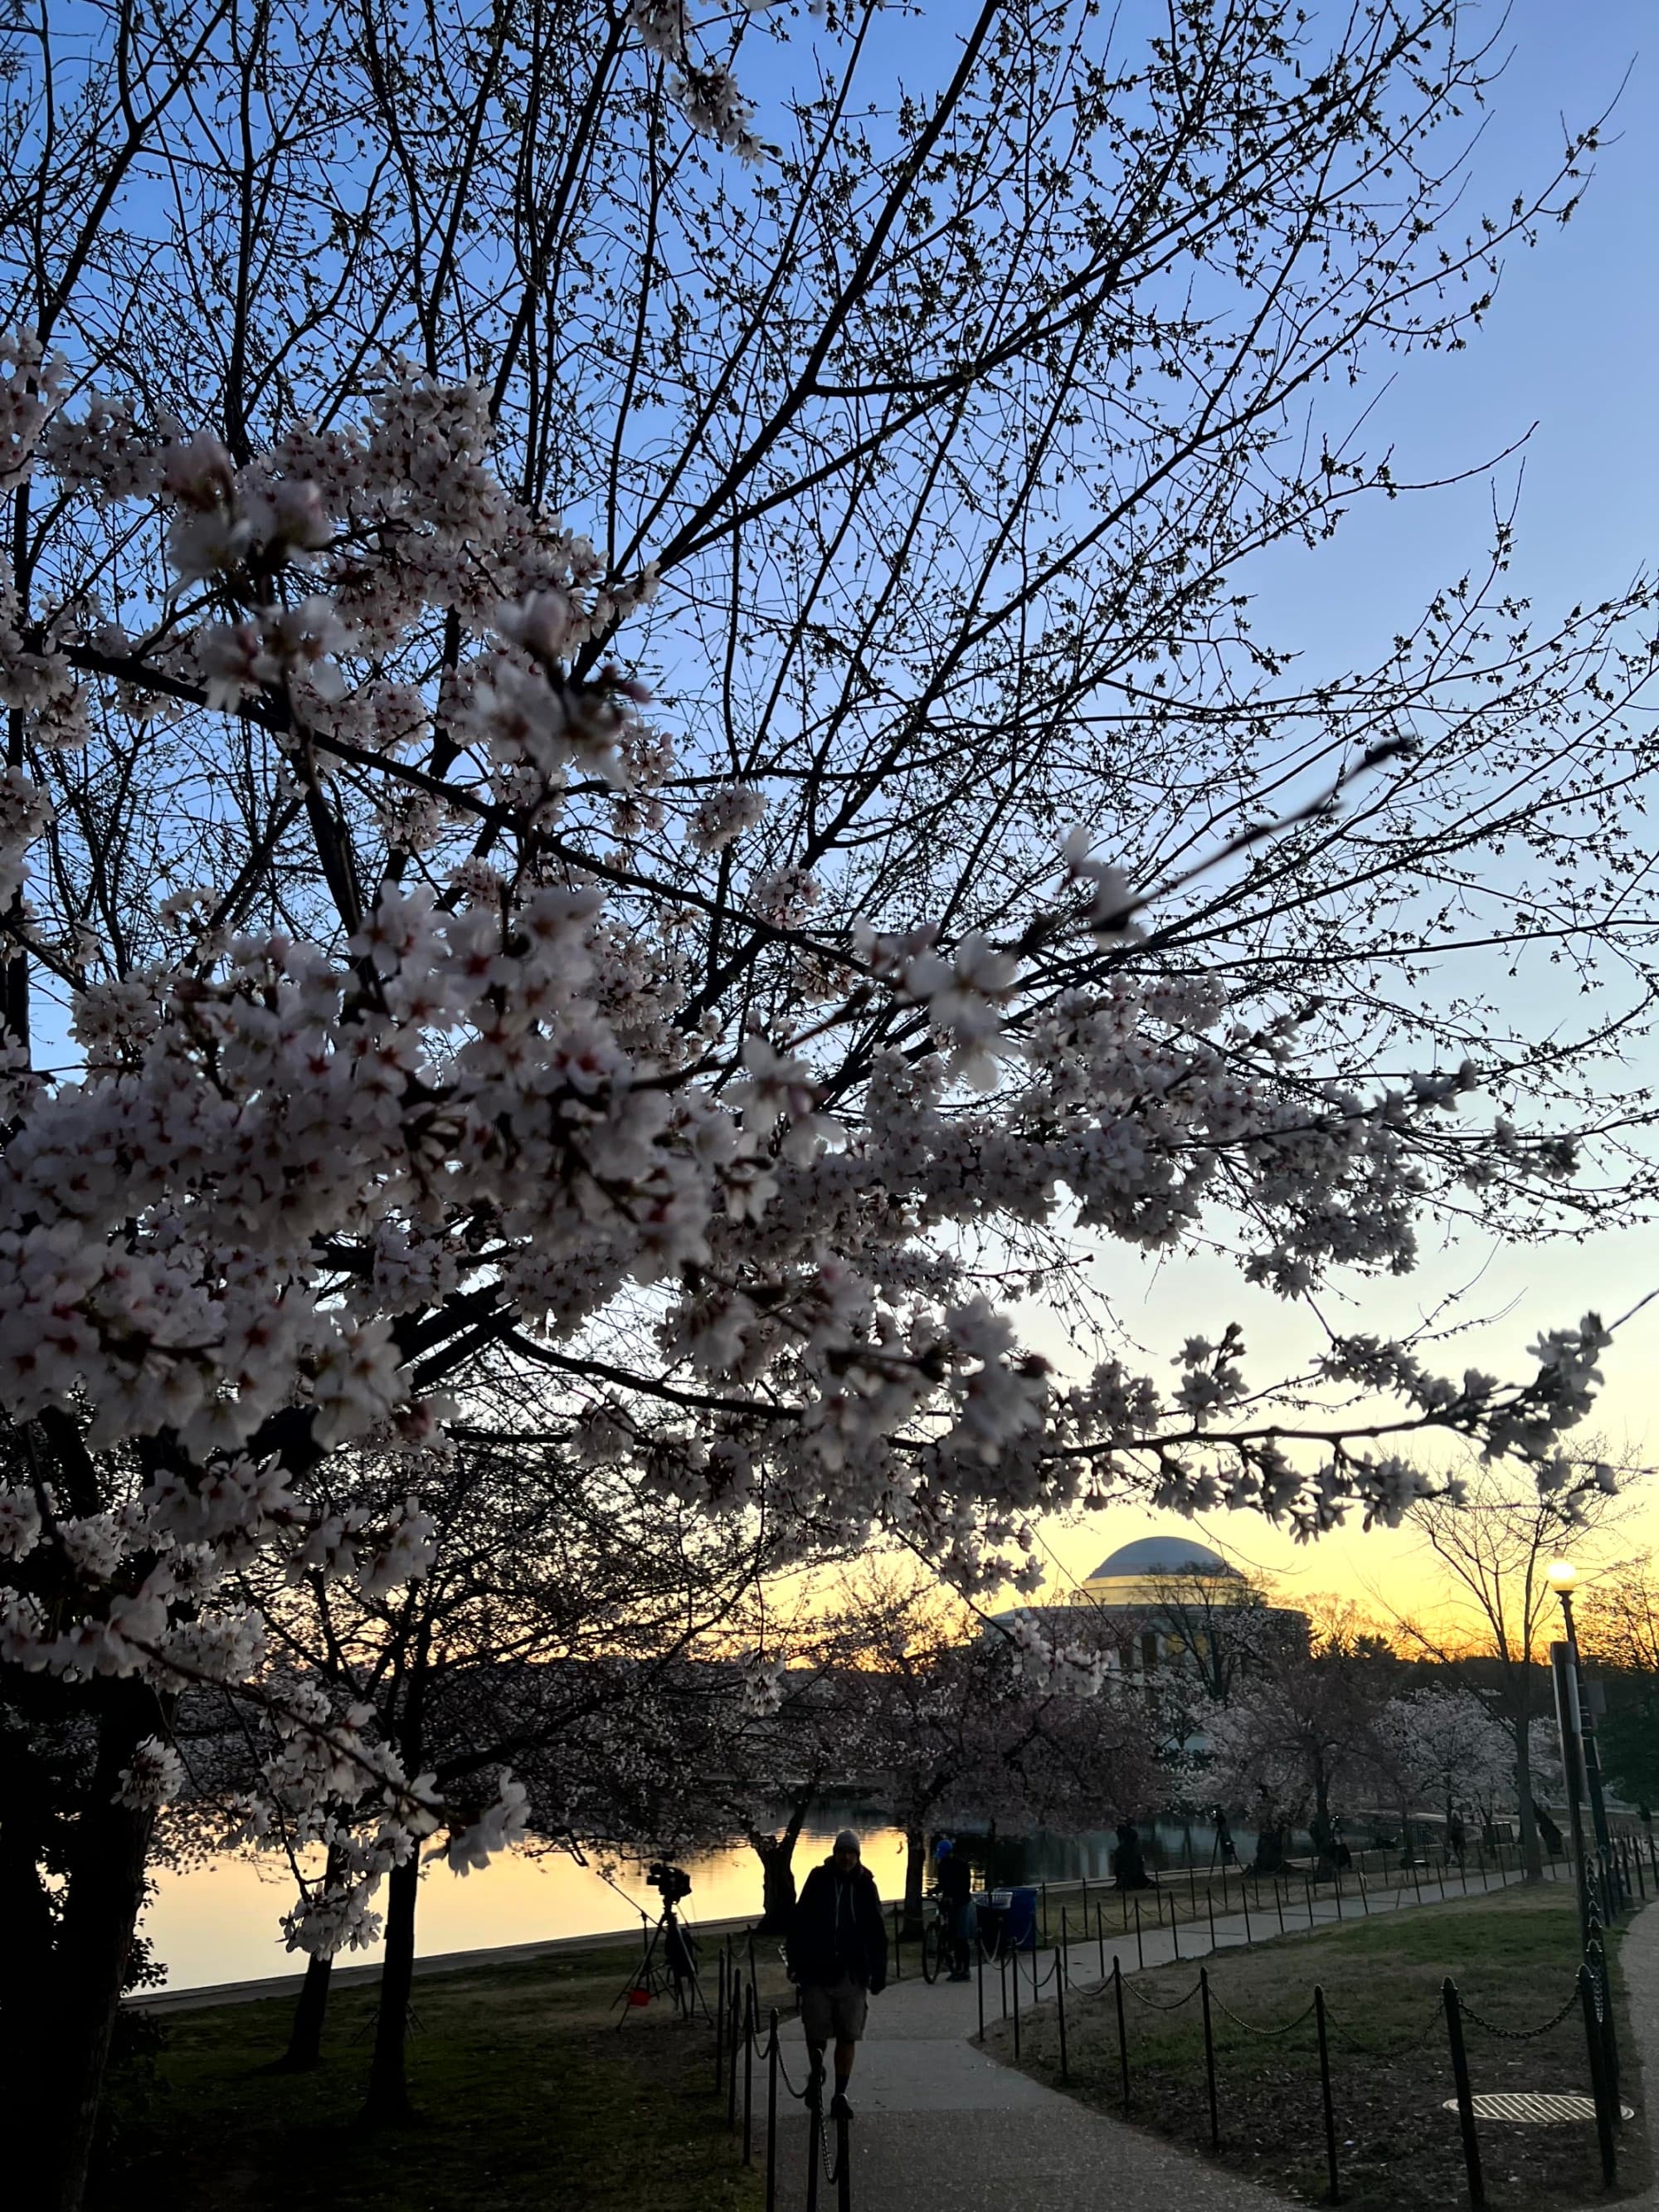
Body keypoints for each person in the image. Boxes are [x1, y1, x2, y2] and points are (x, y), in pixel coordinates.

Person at [786, 1830, 888, 2118]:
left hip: (852, 1973)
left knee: (848, 2034)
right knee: (816, 2032)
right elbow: (800, 1920)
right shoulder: (818, 1879)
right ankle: (816, 2078)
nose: (846, 1857)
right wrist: (795, 1960)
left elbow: (877, 1932)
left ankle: (840, 2094)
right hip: (817, 1971)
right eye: (842, 1851)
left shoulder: (866, 1886)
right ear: (834, 1853)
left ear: (857, 1856)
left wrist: (878, 1971)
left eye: (851, 1852)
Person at [935, 1839, 975, 1981]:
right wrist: (933, 1890)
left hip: (962, 1902)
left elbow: (965, 1886)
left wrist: (955, 1897)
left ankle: (964, 1969)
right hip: (949, 1902)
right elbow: (943, 1883)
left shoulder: (961, 1865)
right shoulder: (942, 1866)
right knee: (952, 1932)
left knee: (961, 1936)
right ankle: (956, 1966)